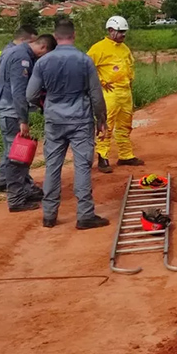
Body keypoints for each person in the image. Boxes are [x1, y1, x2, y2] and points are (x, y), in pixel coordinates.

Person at [26, 19, 109, 230]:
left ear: (55, 37)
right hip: (80, 120)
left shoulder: (43, 62)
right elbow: (96, 94)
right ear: (74, 35)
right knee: (82, 166)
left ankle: (49, 215)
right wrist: (101, 120)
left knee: (53, 166)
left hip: (54, 120)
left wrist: (45, 105)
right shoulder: (84, 60)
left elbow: (31, 94)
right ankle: (84, 215)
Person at [0, 34, 57, 210]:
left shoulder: (18, 51)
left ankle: (22, 188)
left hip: (6, 109)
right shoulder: (23, 58)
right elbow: (18, 92)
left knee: (13, 152)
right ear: (43, 49)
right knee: (18, 156)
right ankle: (16, 199)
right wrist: (23, 119)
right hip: (10, 111)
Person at [87, 15, 144, 173]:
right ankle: (103, 157)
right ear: (111, 31)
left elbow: (130, 67)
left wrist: (130, 85)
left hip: (125, 92)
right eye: (120, 32)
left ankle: (126, 155)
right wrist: (100, 82)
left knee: (125, 126)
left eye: (124, 32)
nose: (123, 35)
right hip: (109, 94)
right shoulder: (98, 48)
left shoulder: (124, 48)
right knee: (106, 124)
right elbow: (86, 68)